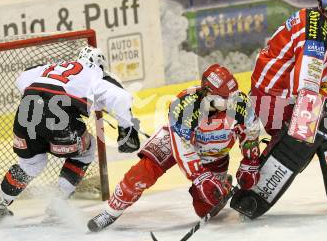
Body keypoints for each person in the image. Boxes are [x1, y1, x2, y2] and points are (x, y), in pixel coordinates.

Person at [230, 0, 327, 220]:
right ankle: (253, 195)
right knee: (302, 135)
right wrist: (308, 115)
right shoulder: (316, 29)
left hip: (280, 97)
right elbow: (307, 81)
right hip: (275, 99)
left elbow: (322, 82)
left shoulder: (322, 26)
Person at [87, 64, 261, 232]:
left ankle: (223, 184)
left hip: (215, 154)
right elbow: (183, 149)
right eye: (224, 98)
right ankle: (110, 212)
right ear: (208, 94)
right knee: (142, 173)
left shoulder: (240, 103)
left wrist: (250, 161)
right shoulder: (184, 105)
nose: (231, 101)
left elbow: (250, 133)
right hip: (175, 143)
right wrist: (200, 178)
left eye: (232, 95)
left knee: (205, 208)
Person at [0, 45, 141, 225]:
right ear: (99, 64)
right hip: (57, 116)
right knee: (86, 150)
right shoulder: (95, 72)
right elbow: (121, 98)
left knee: (30, 164)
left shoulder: (52, 67)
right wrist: (127, 131)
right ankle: (57, 205)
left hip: (26, 111)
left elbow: (22, 79)